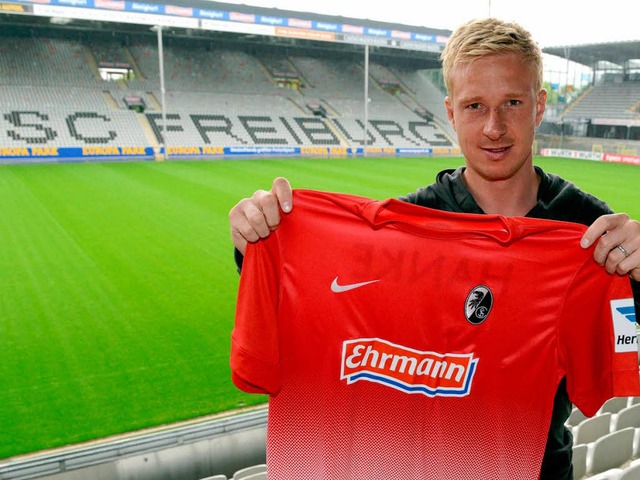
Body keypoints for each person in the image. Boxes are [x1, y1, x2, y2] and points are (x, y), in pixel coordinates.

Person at [228, 17, 640, 480]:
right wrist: (261, 243)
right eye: (474, 106)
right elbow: (312, 294)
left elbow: (625, 344)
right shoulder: (407, 226)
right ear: (449, 112)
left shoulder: (586, 231)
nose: (494, 126)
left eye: (512, 102)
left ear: (539, 106)